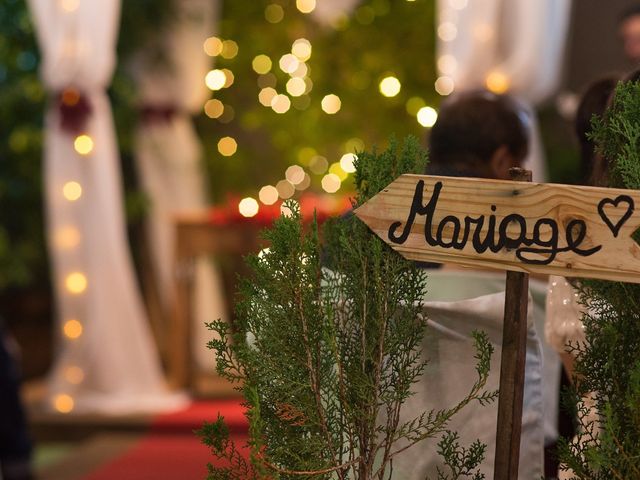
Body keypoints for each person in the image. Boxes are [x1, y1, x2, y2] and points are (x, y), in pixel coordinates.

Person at [393, 90, 551, 479]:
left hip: (372, 453)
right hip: (490, 458)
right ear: (502, 160)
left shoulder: (363, 223)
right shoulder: (511, 240)